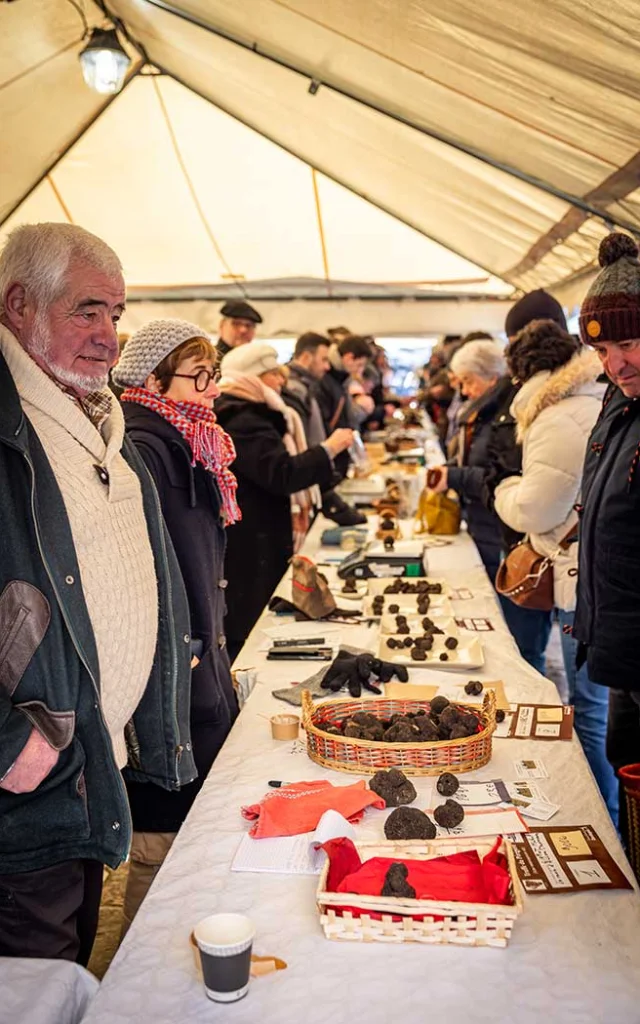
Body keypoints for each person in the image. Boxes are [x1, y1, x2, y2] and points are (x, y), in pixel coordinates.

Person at [0, 223, 195, 963]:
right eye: (88, 310)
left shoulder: (99, 418)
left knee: (71, 968)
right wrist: (10, 746)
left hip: (88, 770)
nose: (109, 335)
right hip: (23, 793)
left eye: (117, 313)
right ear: (19, 304)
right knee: (34, 986)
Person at [112, 319, 241, 928]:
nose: (212, 389)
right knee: (162, 829)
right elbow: (143, 562)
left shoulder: (190, 440)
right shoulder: (146, 446)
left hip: (197, 657)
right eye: (200, 377)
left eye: (215, 374)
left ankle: (188, 934)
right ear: (153, 379)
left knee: (191, 816)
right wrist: (184, 644)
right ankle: (145, 965)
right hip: (171, 671)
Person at [493, 319, 617, 820]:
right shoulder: (589, 402)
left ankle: (602, 819)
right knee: (593, 704)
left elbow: (537, 510)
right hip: (592, 572)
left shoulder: (558, 416)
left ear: (527, 373)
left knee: (589, 708)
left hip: (578, 578)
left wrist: (504, 490)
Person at [216, 342, 353, 661]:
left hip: (256, 535)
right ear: (253, 378)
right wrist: (327, 449)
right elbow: (281, 474)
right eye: (273, 374)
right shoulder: (242, 418)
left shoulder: (257, 414)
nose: (281, 381)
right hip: (251, 540)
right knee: (250, 622)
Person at [572, 232, 640, 842]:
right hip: (623, 652)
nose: (617, 362)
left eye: (629, 341)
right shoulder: (617, 408)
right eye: (603, 350)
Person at [427, 340, 516, 581]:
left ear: (492, 377)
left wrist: (454, 476)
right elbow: (476, 458)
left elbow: (499, 477)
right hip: (481, 521)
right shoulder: (484, 410)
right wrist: (449, 469)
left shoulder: (506, 416)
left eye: (468, 381)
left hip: (497, 530)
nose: (464, 391)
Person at [283, 333, 366, 528]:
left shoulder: (307, 387)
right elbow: (301, 447)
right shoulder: (296, 391)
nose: (327, 366)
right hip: (305, 479)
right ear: (305, 357)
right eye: (323, 360)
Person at [316, 334, 372, 479]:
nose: (360, 370)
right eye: (359, 364)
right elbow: (326, 421)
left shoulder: (341, 378)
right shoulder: (327, 379)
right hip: (331, 452)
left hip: (338, 449)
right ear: (348, 357)